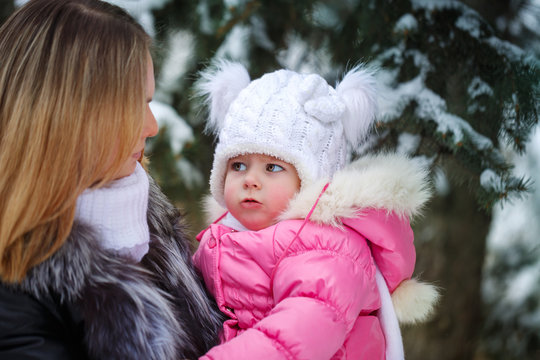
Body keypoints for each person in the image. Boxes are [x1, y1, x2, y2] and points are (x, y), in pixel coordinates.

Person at [0, 0, 223, 359]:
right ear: (67, 115)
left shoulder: (147, 223)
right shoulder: (15, 292)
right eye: (133, 104)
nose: (151, 127)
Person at [192, 61, 440, 359]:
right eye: (238, 165)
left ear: (310, 182)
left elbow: (294, 337)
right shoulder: (225, 237)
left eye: (272, 167)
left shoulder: (327, 248)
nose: (250, 180)